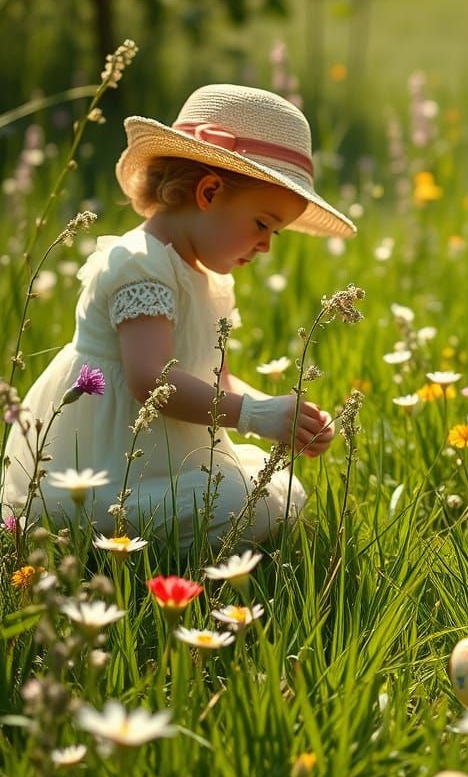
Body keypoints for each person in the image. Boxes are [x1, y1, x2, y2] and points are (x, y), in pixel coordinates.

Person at [2, 84, 356, 546]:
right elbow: (151, 382)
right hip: (102, 467)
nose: (267, 244)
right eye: (263, 224)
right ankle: (87, 534)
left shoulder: (209, 281)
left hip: (167, 455)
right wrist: (254, 415)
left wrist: (280, 415)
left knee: (279, 493)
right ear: (209, 192)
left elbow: (218, 381)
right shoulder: (138, 263)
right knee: (242, 502)